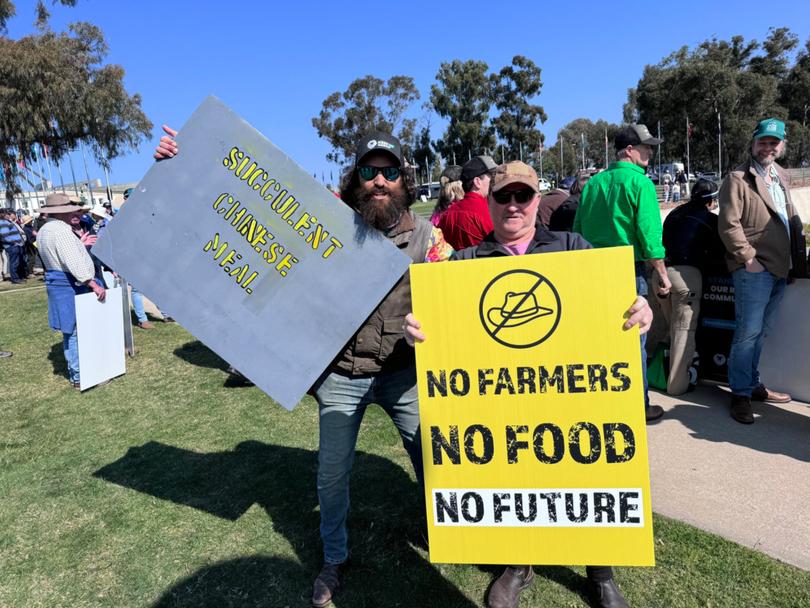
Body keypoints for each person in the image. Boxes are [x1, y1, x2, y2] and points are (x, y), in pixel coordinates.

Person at [155, 126, 454, 607]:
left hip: (403, 374)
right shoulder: (322, 225)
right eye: (369, 172)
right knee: (331, 475)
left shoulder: (428, 239)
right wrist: (181, 161)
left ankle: (455, 533)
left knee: (433, 461)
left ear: (405, 180)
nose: (380, 181)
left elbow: (466, 292)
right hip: (341, 377)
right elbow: (235, 201)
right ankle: (334, 560)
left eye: (390, 172)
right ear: (355, 178)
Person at [405, 161, 652, 608]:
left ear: (538, 201)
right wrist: (419, 329)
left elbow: (615, 301)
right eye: (504, 197)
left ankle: (600, 570)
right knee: (510, 468)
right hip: (504, 401)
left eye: (523, 196)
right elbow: (436, 325)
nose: (514, 206)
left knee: (589, 467)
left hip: (571, 393)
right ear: (489, 202)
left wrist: (640, 308)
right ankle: (518, 563)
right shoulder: (465, 263)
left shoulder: (572, 246)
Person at [574, 124, 671, 422]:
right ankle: (637, 405)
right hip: (627, 269)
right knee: (633, 339)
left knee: (598, 340)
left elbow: (577, 230)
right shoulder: (640, 184)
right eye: (646, 147)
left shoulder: (592, 184)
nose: (650, 152)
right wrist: (662, 273)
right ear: (629, 150)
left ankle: (601, 403)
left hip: (591, 269)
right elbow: (649, 234)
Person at [718, 118, 804, 424]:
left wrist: (797, 263)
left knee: (761, 332)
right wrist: (748, 258)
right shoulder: (738, 178)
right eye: (763, 141)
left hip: (781, 268)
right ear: (753, 143)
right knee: (747, 333)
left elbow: (791, 220)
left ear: (781, 146)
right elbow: (728, 224)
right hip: (754, 268)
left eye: (774, 142)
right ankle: (740, 394)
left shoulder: (780, 175)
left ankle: (752, 384)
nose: (768, 147)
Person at [654, 178, 725, 395]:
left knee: (667, 330)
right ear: (711, 201)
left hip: (660, 276)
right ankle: (677, 386)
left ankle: (653, 375)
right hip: (687, 277)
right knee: (683, 333)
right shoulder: (710, 220)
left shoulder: (675, 214)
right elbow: (719, 253)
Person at [37, 193, 106, 388]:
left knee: (72, 329)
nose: (72, 214)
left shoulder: (45, 230)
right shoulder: (61, 231)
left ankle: (79, 372)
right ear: (60, 213)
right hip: (69, 284)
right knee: (75, 330)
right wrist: (91, 283)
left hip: (59, 282)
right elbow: (73, 260)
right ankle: (80, 375)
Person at [437, 154, 498, 249]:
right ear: (477, 182)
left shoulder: (446, 215)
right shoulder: (488, 212)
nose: (495, 180)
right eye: (491, 176)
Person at [0, 208, 26, 284]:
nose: (9, 215)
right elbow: (4, 236)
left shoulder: (6, 221)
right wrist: (14, 242)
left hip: (16, 245)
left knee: (17, 262)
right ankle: (15, 279)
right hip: (12, 246)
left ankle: (18, 277)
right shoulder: (3, 222)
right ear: (2, 214)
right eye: (7, 214)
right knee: (14, 262)